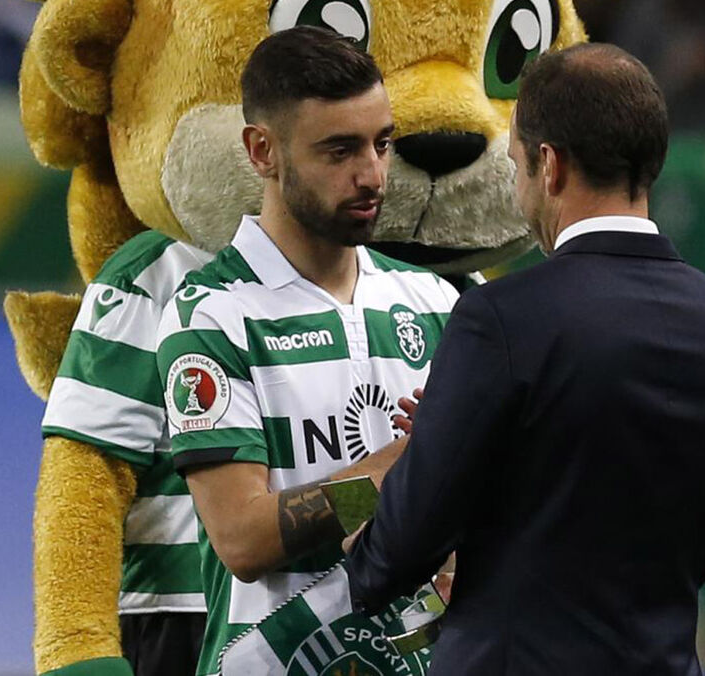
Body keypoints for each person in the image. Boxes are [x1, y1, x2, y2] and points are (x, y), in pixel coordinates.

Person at [343, 43, 705, 675]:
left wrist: (416, 460)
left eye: (515, 165)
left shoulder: (501, 320)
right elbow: (694, 553)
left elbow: (390, 561)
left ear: (549, 165)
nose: (518, 189)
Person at [155, 27, 459, 676]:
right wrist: (394, 472)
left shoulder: (434, 301)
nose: (372, 175)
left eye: (382, 144)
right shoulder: (213, 316)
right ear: (262, 151)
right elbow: (242, 539)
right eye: (340, 150)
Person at [38, 209, 214, 673]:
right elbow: (87, 473)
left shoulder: (386, 282)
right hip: (182, 614)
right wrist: (78, 642)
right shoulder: (156, 271)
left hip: (341, 608)